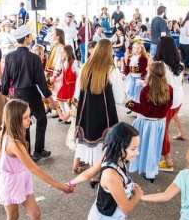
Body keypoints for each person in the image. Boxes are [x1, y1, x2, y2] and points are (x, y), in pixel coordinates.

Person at [0, 99, 72, 220]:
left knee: (35, 213)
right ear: (14, 120)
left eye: (29, 116)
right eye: (25, 118)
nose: (29, 120)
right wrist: (60, 186)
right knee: (13, 217)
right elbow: (35, 169)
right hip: (10, 184)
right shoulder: (14, 143)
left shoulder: (8, 133)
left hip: (22, 179)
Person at [68, 122, 143, 220]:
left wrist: (71, 183)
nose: (137, 153)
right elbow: (126, 207)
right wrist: (137, 195)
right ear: (119, 147)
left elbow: (88, 173)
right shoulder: (111, 175)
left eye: (137, 148)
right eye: (133, 149)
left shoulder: (111, 153)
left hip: (116, 217)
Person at [1, 27, 57, 162]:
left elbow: (5, 81)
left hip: (17, 94)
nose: (31, 37)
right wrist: (50, 100)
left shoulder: (9, 57)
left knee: (22, 124)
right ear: (26, 38)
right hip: (32, 93)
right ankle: (38, 150)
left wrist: (6, 95)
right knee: (41, 119)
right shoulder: (34, 58)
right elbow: (41, 82)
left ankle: (26, 152)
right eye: (29, 35)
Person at [74, 39, 121, 173]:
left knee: (91, 142)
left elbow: (77, 93)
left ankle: (91, 170)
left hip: (86, 112)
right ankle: (100, 171)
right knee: (102, 143)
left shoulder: (85, 67)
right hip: (104, 113)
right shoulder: (111, 70)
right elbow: (119, 97)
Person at [126, 62, 173, 181]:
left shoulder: (146, 90)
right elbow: (169, 106)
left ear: (150, 73)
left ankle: (138, 165)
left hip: (145, 123)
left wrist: (129, 103)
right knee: (153, 147)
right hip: (159, 123)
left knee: (141, 146)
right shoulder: (169, 89)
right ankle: (150, 170)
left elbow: (145, 110)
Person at [155, 36, 186, 169]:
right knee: (165, 127)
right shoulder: (180, 64)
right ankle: (181, 133)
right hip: (178, 99)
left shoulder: (160, 66)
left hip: (167, 100)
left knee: (162, 131)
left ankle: (168, 161)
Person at [55, 45, 79, 122]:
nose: (62, 53)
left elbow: (79, 74)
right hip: (65, 85)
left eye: (63, 52)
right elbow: (59, 70)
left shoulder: (74, 62)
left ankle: (71, 117)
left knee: (70, 103)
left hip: (72, 86)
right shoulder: (64, 62)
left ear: (68, 52)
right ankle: (66, 115)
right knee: (59, 99)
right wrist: (61, 61)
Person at [45, 28, 65, 102]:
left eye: (53, 34)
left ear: (58, 36)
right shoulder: (55, 46)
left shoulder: (60, 47)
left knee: (57, 95)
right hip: (53, 74)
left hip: (57, 75)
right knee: (55, 94)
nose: (51, 35)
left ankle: (62, 112)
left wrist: (54, 76)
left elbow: (58, 63)